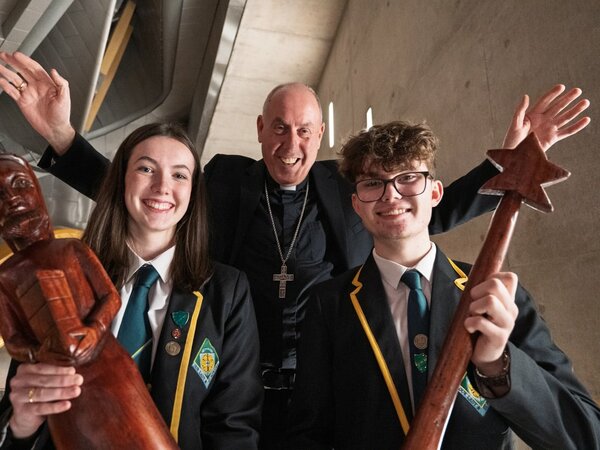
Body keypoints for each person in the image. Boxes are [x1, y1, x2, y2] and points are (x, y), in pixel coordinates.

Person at [0, 51, 591, 449]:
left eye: (306, 130)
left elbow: (426, 204)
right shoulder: (227, 183)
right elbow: (150, 190)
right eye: (279, 128)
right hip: (231, 383)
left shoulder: (349, 191)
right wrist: (63, 139)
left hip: (325, 378)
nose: (292, 143)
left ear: (321, 140)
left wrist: (510, 168)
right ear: (260, 131)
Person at [285, 121, 600, 449]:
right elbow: (308, 435)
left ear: (435, 193)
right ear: (356, 205)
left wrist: (497, 366)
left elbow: (585, 437)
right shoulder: (330, 303)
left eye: (408, 178)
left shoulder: (496, 297)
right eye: (373, 182)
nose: (391, 194)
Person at [0, 123, 263, 449]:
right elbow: (17, 421)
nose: (162, 186)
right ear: (121, 179)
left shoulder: (227, 292)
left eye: (179, 175)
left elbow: (234, 426)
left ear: (194, 192)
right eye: (146, 168)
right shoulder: (64, 277)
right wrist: (22, 424)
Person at [0, 154, 177, 449]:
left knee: (141, 430)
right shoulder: (6, 275)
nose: (13, 200)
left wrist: (94, 330)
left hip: (106, 360)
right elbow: (14, 338)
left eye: (20, 184)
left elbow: (108, 296)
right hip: (62, 380)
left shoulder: (72, 248)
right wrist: (42, 353)